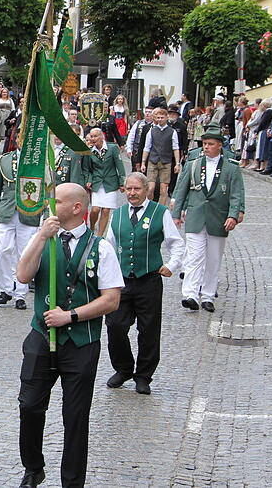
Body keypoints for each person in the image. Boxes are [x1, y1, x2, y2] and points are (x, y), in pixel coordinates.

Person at [14, 182, 123, 488]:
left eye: (57, 202)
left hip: (81, 343)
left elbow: (111, 299)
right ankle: (33, 466)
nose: (50, 207)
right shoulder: (44, 239)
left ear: (77, 208)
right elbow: (22, 275)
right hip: (41, 336)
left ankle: (72, 482)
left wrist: (71, 315)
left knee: (75, 417)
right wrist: (40, 237)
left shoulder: (101, 247)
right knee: (29, 405)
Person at [104, 173, 184, 395]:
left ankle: (143, 376)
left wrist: (171, 265)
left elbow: (176, 243)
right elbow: (108, 247)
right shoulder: (118, 215)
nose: (132, 193)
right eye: (128, 189)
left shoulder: (160, 212)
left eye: (136, 189)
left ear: (146, 189)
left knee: (148, 329)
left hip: (149, 279)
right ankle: (123, 368)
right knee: (115, 325)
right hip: (121, 281)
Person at [172, 129, 245, 313]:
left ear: (220, 145)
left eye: (210, 144)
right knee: (195, 257)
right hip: (196, 215)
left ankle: (208, 295)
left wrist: (233, 215)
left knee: (213, 259)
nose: (206, 147)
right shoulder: (194, 164)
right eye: (204, 143)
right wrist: (176, 213)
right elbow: (182, 189)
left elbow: (236, 194)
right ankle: (190, 294)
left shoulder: (231, 167)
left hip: (218, 217)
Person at [0, 143, 41, 310]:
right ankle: (5, 289)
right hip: (6, 211)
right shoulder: (5, 159)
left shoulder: (38, 161)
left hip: (29, 212)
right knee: (3, 250)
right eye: (20, 136)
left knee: (24, 253)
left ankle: (20, 293)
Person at [86, 128, 125, 236]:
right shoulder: (89, 151)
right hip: (97, 182)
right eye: (91, 136)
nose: (93, 139)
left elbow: (119, 165)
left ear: (101, 136)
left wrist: (122, 182)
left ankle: (100, 235)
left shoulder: (112, 148)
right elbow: (88, 169)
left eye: (95, 136)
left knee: (106, 210)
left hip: (110, 182)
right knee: (95, 209)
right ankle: (92, 227)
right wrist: (89, 180)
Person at [140, 108, 181, 206]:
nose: (160, 119)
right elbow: (147, 147)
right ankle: (149, 206)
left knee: (163, 189)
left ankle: (161, 209)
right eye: (158, 118)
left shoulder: (172, 132)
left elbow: (176, 148)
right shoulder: (151, 131)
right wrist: (143, 162)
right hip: (152, 161)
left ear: (167, 118)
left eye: (162, 117)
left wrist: (177, 163)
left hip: (166, 162)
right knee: (150, 188)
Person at [127, 107, 154, 172]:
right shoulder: (138, 123)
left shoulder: (154, 125)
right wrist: (129, 148)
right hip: (136, 151)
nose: (147, 114)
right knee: (135, 170)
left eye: (149, 112)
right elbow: (131, 136)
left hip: (149, 152)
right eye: (146, 112)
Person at [0, 87, 15, 151]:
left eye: (5, 92)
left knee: (7, 132)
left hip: (8, 117)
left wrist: (13, 117)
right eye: (3, 92)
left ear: (7, 93)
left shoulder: (10, 100)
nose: (4, 93)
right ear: (1, 93)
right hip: (0, 117)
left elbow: (13, 109)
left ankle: (7, 146)